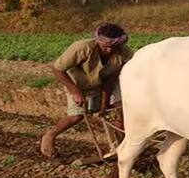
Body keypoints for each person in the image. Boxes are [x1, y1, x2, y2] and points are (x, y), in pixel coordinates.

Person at [40, 23, 133, 158]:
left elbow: (112, 78)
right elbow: (57, 69)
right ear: (98, 41)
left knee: (119, 109)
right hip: (79, 84)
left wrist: (104, 102)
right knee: (76, 116)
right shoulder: (82, 48)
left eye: (113, 47)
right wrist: (75, 92)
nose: (109, 51)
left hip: (106, 82)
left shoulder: (124, 52)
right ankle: (50, 136)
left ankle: (120, 146)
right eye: (105, 47)